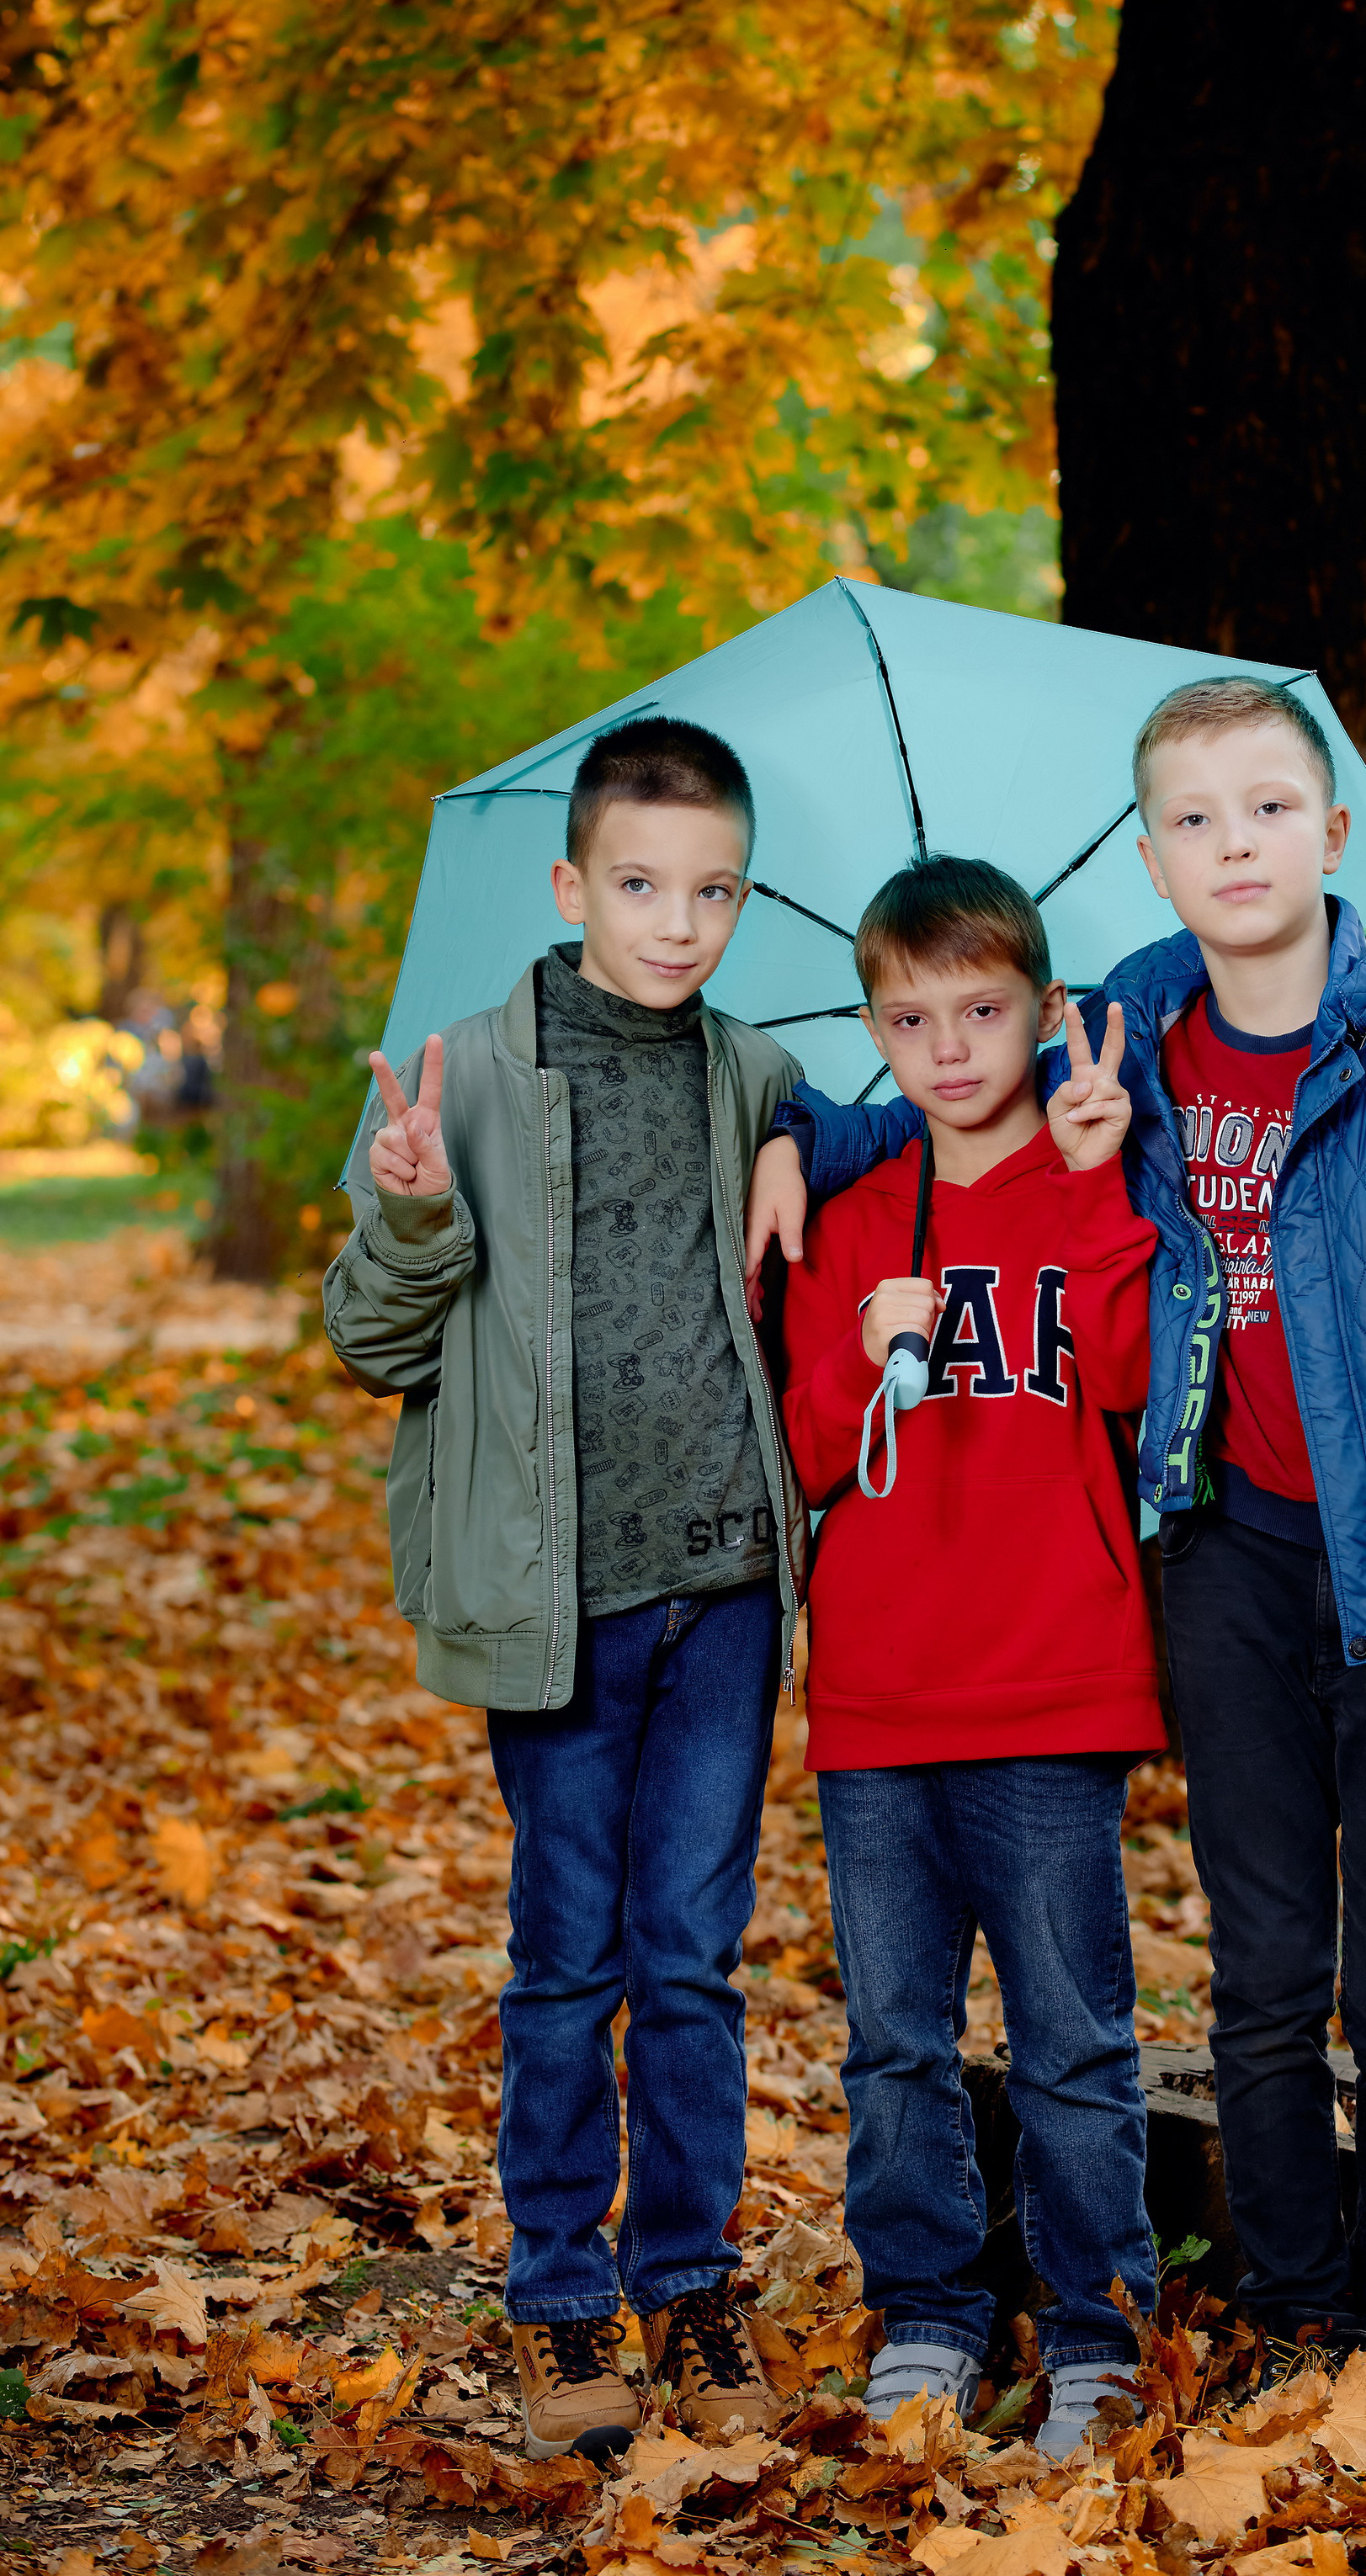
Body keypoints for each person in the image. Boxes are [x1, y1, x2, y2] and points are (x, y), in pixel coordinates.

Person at [747, 679, 1366, 2411]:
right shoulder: (1123, 1022)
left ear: (1331, 836)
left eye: (1267, 811)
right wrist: (785, 1134)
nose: (1233, 846)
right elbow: (933, 1090)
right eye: (1194, 822)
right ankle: (1285, 2302)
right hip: (1224, 1553)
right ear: (1152, 859)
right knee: (1265, 1971)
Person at [325, 720, 805, 2462]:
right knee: (565, 1960)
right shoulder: (459, 1074)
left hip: (727, 1593)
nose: (677, 923)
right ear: (570, 884)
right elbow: (370, 1337)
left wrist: (797, 1142)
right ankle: (554, 2297)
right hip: (558, 1602)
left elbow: (854, 1145)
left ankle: (686, 2283)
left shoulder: (752, 1071)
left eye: (713, 891)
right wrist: (412, 1220)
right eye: (640, 886)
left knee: (693, 1965)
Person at [780, 855, 1167, 2462]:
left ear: (1043, 1013)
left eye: (984, 1010)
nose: (949, 1047)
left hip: (1054, 1676)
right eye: (911, 1018)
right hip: (879, 1696)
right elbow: (800, 1452)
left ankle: (1098, 2321)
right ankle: (927, 2310)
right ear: (877, 1029)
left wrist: (1088, 1182)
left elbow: (1142, 1377)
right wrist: (863, 1347)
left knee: (1074, 2034)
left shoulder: (1097, 1187)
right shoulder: (852, 1218)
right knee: (896, 2040)